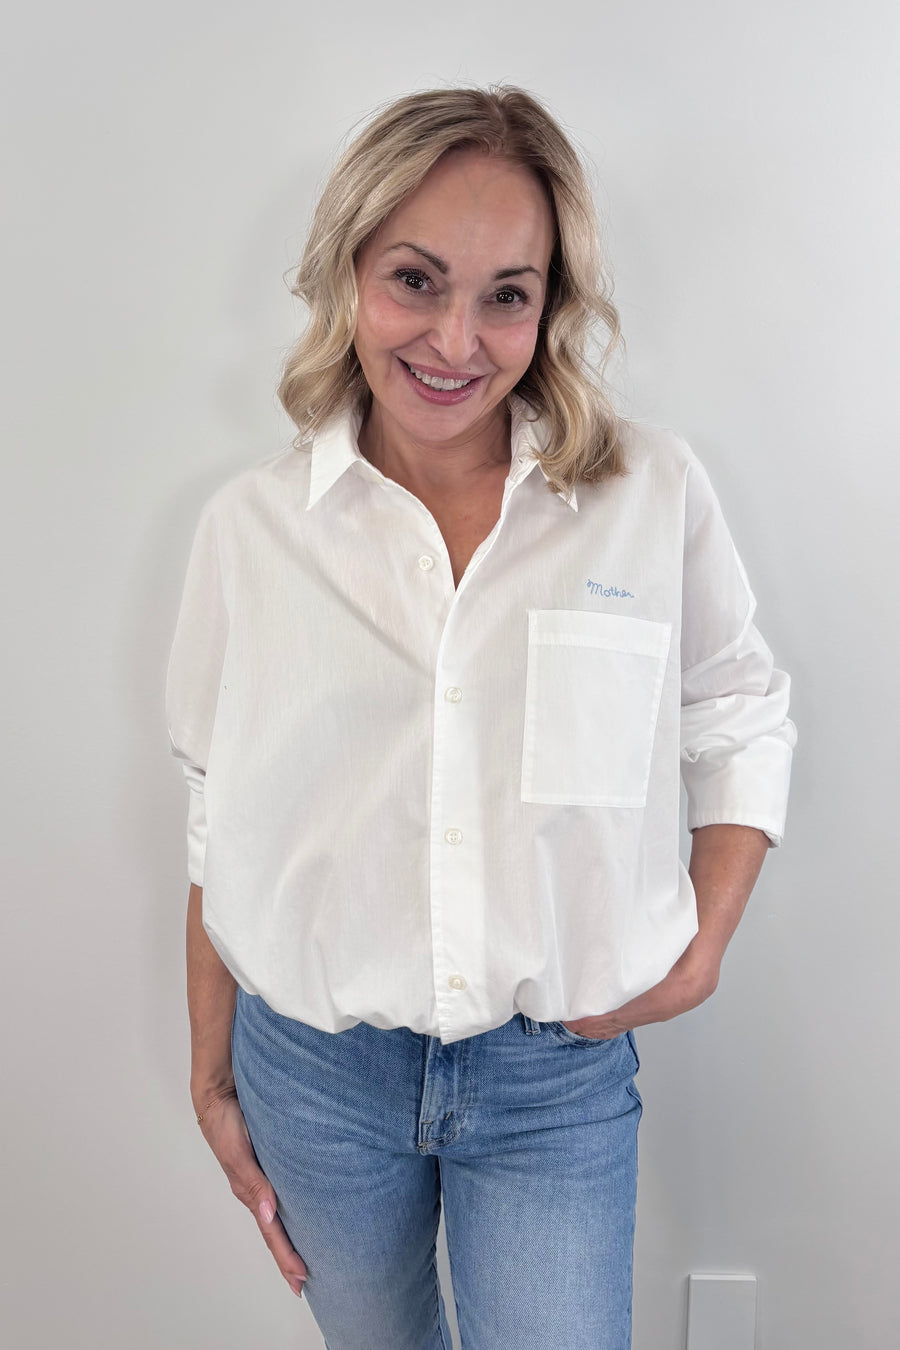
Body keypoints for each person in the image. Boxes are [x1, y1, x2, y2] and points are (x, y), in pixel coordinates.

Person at [166, 86, 796, 1350]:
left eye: (508, 292)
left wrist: (704, 945)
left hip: (550, 1078)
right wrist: (214, 1073)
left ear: (551, 305)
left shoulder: (646, 493)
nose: (458, 337)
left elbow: (738, 711)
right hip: (318, 1075)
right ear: (346, 275)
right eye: (415, 279)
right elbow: (212, 810)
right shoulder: (251, 529)